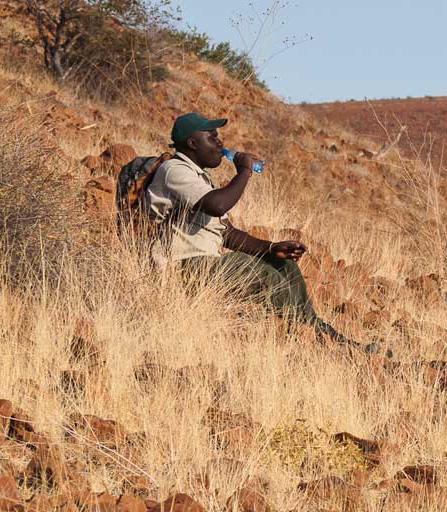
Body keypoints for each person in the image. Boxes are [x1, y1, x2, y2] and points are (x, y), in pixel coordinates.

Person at [144, 112, 363, 349]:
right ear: (193, 143)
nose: (220, 143)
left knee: (283, 266)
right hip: (183, 265)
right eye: (212, 137)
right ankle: (317, 339)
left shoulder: (199, 178)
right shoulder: (174, 170)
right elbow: (217, 206)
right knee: (259, 273)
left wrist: (270, 248)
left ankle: (318, 331)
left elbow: (226, 232)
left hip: (207, 264)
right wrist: (244, 172)